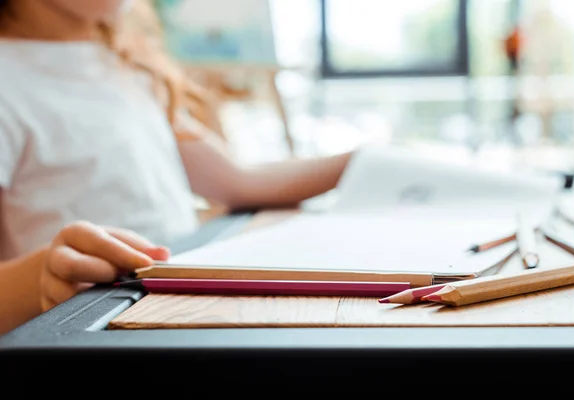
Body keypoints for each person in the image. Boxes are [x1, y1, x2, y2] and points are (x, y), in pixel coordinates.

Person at [0, 0, 355, 334]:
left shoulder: (126, 62)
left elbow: (238, 181)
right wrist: (43, 272)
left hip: (175, 310)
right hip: (84, 335)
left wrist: (364, 160)